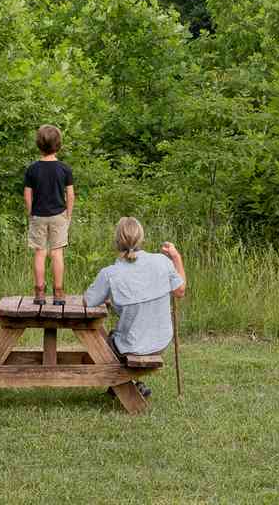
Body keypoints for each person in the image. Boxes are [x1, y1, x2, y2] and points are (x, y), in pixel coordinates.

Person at [83, 217, 186, 399]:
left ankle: (123, 386)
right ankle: (127, 386)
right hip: (161, 342)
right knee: (112, 340)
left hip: (132, 346)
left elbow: (88, 302)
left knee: (100, 340)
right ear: (141, 239)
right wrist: (176, 257)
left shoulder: (110, 273)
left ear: (117, 242)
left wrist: (108, 297)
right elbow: (180, 290)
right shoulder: (162, 262)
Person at [24, 124, 75, 304]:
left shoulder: (32, 169)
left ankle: (39, 293)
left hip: (38, 215)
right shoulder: (64, 169)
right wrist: (68, 214)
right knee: (57, 253)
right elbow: (70, 194)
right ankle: (58, 293)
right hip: (58, 215)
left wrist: (30, 212)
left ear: (39, 144)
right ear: (58, 144)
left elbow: (28, 193)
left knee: (39, 252)